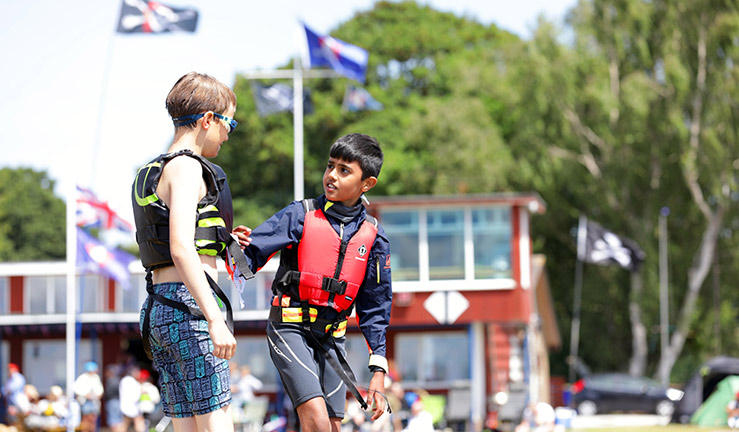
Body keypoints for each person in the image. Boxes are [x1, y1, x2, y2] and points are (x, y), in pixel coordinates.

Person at [237, 133, 392, 432]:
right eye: (330, 166)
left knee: (333, 426)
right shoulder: (300, 214)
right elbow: (246, 257)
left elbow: (377, 306)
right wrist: (233, 244)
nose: (331, 175)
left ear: (367, 184)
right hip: (289, 328)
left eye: (344, 170)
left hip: (333, 338)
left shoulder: (375, 236)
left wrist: (378, 371)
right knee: (317, 423)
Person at [132, 71, 253, 432]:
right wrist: (214, 318)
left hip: (159, 307)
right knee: (217, 421)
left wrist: (223, 239)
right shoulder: (186, 167)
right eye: (228, 121)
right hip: (189, 307)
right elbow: (181, 248)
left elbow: (176, 238)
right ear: (206, 120)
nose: (229, 132)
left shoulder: (151, 170)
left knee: (186, 425)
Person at [73, 361, 104, 432]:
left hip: (94, 402)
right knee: (86, 420)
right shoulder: (82, 378)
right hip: (85, 402)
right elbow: (76, 389)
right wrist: (85, 394)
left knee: (93, 419)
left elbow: (99, 390)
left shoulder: (96, 378)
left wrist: (99, 394)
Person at [119, 366, 145, 432]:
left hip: (126, 406)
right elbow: (135, 395)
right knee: (138, 423)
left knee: (125, 424)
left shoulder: (124, 380)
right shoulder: (132, 381)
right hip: (132, 406)